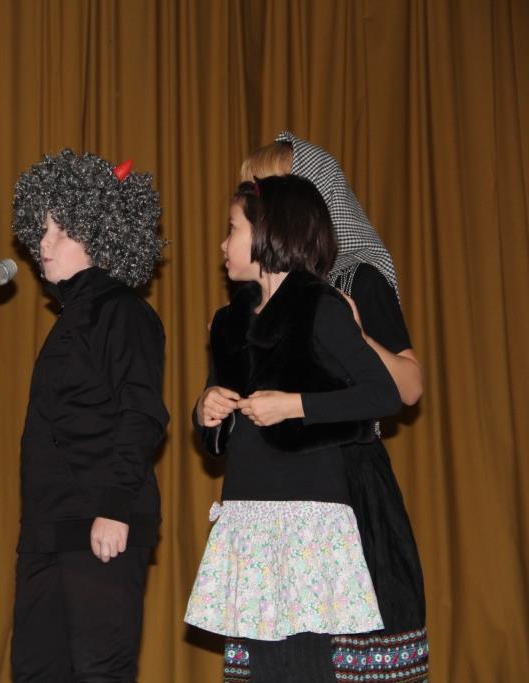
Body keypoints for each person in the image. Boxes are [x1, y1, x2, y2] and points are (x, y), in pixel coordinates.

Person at [184, 175, 403, 682]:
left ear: (270, 233)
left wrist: (295, 405)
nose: (223, 243)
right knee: (263, 667)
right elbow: (216, 429)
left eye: (232, 229)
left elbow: (383, 394)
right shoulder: (229, 321)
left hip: (308, 519)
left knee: (306, 664)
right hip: (249, 514)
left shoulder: (320, 307)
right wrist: (205, 409)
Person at [240, 133, 429, 681]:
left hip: (347, 482)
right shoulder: (259, 291)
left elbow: (409, 386)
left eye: (267, 193)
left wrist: (353, 332)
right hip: (280, 484)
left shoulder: (355, 275)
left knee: (345, 653)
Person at [9, 149, 169, 682]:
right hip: (47, 529)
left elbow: (141, 413)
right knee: (36, 671)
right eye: (41, 230)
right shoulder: (71, 317)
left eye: (60, 231)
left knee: (100, 670)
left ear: (99, 233)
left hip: (100, 520)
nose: (43, 244)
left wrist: (115, 507)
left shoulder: (123, 311)